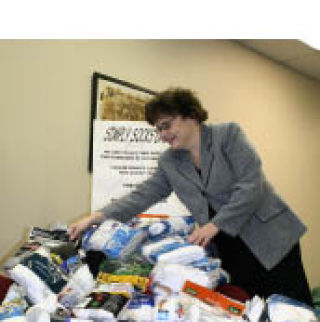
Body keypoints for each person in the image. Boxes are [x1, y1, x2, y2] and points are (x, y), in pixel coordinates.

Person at [69, 88, 312, 305]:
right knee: (252, 308)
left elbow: (252, 185)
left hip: (269, 236)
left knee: (292, 307)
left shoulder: (227, 136)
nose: (162, 134)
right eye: (158, 129)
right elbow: (141, 195)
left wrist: (214, 225)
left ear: (191, 116)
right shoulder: (170, 162)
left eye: (166, 125)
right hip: (229, 245)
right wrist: (95, 218)